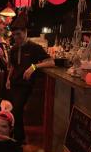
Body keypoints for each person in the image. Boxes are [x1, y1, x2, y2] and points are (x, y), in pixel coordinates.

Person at [6, 15, 55, 144]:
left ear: (25, 32)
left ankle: (18, 138)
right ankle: (17, 136)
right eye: (14, 35)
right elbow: (12, 66)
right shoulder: (14, 49)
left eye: (18, 34)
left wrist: (34, 66)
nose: (16, 37)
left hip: (26, 85)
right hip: (14, 83)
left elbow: (51, 62)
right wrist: (8, 79)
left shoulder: (35, 47)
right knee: (13, 109)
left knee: (17, 109)